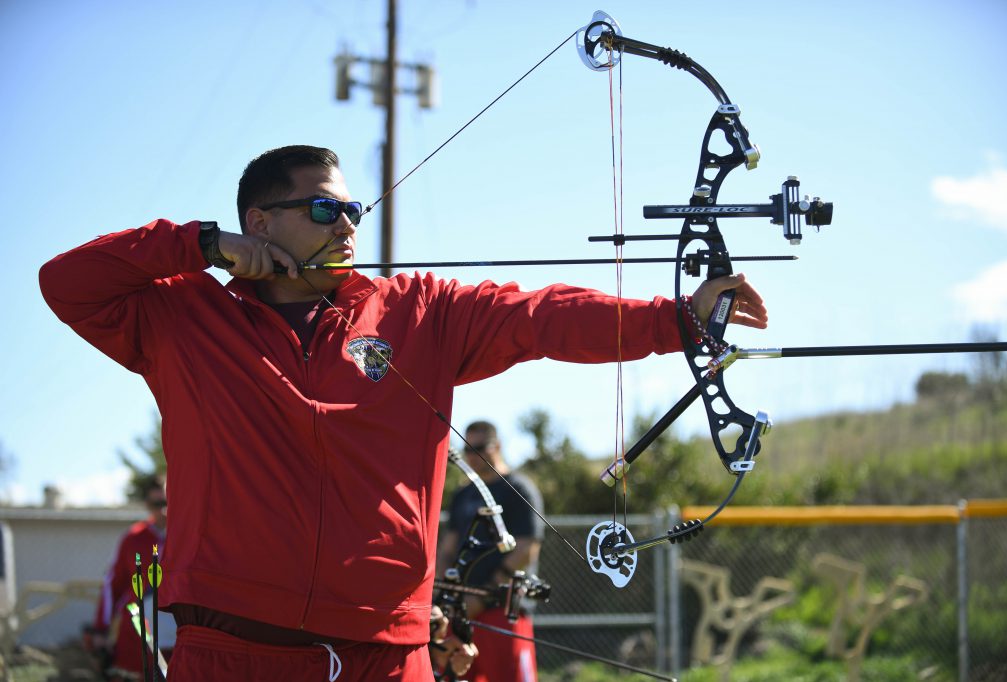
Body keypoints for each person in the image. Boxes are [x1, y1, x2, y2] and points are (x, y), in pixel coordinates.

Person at [39, 145, 767, 681]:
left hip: (386, 657)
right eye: (324, 208)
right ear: (258, 222)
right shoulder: (181, 319)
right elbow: (66, 281)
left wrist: (676, 319)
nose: (347, 224)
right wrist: (198, 244)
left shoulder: (420, 312)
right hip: (232, 653)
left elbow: (538, 318)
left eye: (352, 209)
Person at [438, 421, 544, 682]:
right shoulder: (463, 493)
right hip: (460, 612)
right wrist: (446, 594)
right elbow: (447, 548)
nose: (472, 456)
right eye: (467, 449)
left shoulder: (519, 489)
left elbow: (527, 549)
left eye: (479, 448)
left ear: (497, 446)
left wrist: (482, 599)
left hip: (501, 610)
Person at [89, 475, 168, 681]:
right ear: (147, 505)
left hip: (179, 638)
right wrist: (101, 629)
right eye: (156, 503)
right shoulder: (133, 538)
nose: (163, 510)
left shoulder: (189, 536)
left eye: (168, 502)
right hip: (136, 637)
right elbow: (112, 586)